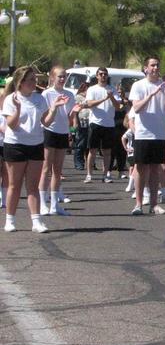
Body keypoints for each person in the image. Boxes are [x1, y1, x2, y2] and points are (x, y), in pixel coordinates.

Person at [3, 66, 68, 233]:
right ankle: (10, 220)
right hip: (15, 145)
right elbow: (12, 125)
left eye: (35, 79)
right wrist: (17, 109)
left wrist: (54, 108)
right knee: (14, 185)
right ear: (22, 82)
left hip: (36, 144)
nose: (35, 82)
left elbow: (46, 122)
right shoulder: (12, 98)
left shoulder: (39, 99)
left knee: (32, 186)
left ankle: (36, 221)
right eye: (31, 79)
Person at [128, 56, 165, 216]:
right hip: (142, 134)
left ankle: (154, 204)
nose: (155, 68)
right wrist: (151, 95)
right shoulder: (138, 85)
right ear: (146, 68)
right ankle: (139, 204)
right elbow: (137, 108)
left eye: (157, 65)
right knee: (141, 169)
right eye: (152, 65)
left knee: (156, 169)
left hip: (159, 134)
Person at [39, 66, 79, 216]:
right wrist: (55, 107)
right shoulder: (47, 94)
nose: (62, 79)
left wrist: (75, 113)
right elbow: (44, 116)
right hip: (49, 132)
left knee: (58, 170)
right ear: (52, 78)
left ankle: (55, 205)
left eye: (64, 77)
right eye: (59, 77)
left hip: (63, 133)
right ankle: (43, 203)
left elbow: (69, 117)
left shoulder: (69, 94)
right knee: (45, 169)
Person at [84, 67, 122, 183]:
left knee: (107, 151)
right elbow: (89, 104)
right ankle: (89, 174)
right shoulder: (92, 89)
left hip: (109, 124)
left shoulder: (112, 90)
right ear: (97, 76)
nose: (103, 76)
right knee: (92, 150)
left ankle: (106, 174)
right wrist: (104, 98)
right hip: (95, 122)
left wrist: (110, 97)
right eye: (101, 74)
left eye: (105, 74)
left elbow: (118, 107)